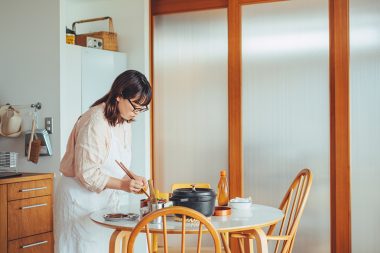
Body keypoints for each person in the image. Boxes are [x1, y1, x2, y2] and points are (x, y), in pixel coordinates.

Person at [55, 70, 152, 253]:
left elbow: (114, 164)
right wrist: (124, 185)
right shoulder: (95, 121)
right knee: (83, 247)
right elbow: (88, 173)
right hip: (79, 199)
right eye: (135, 107)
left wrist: (131, 177)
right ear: (118, 96)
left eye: (142, 109)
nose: (137, 114)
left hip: (102, 203)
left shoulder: (123, 121)